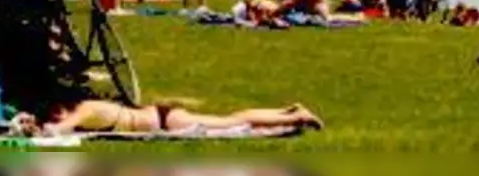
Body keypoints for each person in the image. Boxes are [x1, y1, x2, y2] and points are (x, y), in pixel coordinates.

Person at [32, 98, 322, 136]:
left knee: (234, 121)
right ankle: (287, 113)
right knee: (232, 118)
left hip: (166, 121)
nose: (58, 116)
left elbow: (60, 130)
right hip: (160, 116)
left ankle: (297, 116)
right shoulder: (86, 112)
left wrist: (41, 129)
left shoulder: (84, 109)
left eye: (56, 113)